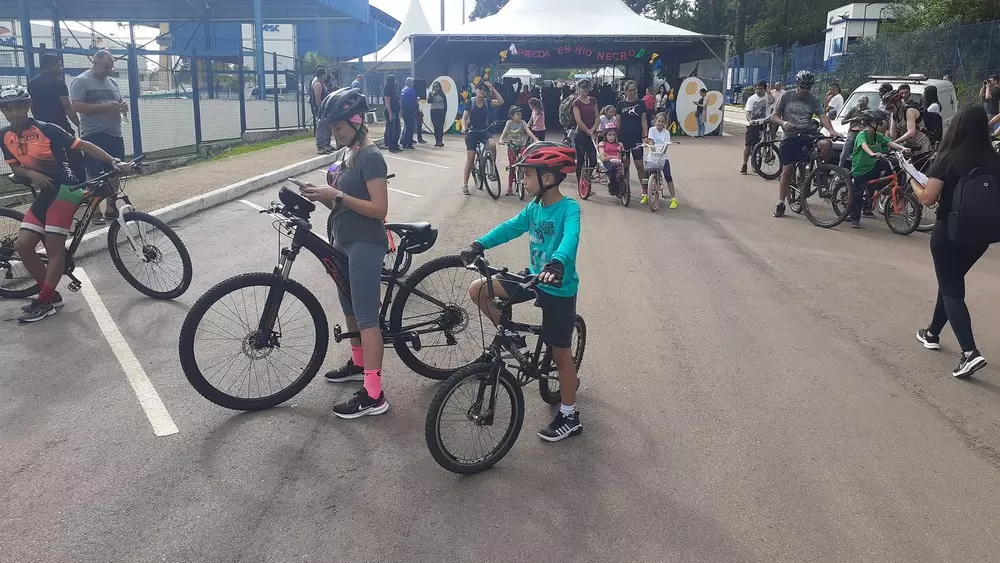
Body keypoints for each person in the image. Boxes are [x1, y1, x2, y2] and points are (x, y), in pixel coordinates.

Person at [460, 141, 584, 442]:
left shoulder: (569, 209)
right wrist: (480, 244)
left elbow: (570, 239)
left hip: (558, 286)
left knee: (561, 355)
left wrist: (558, 262)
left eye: (528, 175)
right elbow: (510, 227)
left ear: (549, 178)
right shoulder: (534, 208)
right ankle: (511, 336)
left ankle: (570, 416)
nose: (522, 180)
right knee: (479, 289)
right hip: (533, 278)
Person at [1, 85, 130, 323]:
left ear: (28, 107)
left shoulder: (47, 129)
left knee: (54, 247)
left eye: (20, 106)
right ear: (3, 112)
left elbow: (83, 145)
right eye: (9, 108)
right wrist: (31, 175)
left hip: (69, 189)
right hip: (46, 192)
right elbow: (15, 167)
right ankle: (50, 296)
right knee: (24, 245)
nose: (16, 112)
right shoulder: (4, 135)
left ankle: (44, 299)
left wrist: (113, 161)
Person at [301, 88, 391, 417]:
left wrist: (336, 196)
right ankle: (358, 363)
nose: (333, 133)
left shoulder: (370, 156)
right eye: (331, 128)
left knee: (367, 317)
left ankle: (374, 395)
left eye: (338, 128)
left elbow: (379, 209)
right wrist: (319, 195)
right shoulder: (347, 154)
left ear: (356, 121)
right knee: (349, 308)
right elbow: (336, 200)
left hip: (365, 243)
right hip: (342, 238)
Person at [910, 105, 1000, 378]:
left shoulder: (948, 158)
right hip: (981, 236)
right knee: (950, 282)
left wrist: (913, 181)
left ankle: (969, 352)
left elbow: (927, 197)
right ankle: (932, 333)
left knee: (951, 289)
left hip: (948, 232)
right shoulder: (995, 160)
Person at [69, 50, 128, 226]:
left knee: (116, 170)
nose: (110, 70)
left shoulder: (112, 82)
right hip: (93, 134)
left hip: (114, 133)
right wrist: (106, 108)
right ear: (95, 62)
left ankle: (111, 207)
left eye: (111, 67)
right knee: (94, 174)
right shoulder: (82, 81)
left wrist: (122, 106)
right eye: (107, 67)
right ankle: (95, 210)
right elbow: (76, 106)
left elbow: (117, 101)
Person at [770, 70, 837, 218]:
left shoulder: (813, 99)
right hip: (790, 136)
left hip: (807, 133)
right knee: (787, 170)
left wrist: (831, 130)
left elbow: (822, 116)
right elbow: (774, 116)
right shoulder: (786, 96)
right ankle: (781, 203)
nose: (805, 90)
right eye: (802, 87)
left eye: (808, 87)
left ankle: (819, 172)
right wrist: (783, 122)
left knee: (826, 144)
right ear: (797, 84)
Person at [847, 109, 910, 228]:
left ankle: (877, 193)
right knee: (858, 194)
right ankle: (854, 218)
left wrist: (902, 149)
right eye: (877, 123)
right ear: (871, 123)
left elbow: (890, 143)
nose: (880, 125)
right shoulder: (862, 135)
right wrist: (872, 153)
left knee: (892, 166)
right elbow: (864, 146)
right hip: (860, 168)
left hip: (873, 166)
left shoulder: (878, 136)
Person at [28, 54, 85, 182]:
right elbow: (67, 106)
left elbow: (31, 105)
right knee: (75, 154)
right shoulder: (58, 82)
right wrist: (78, 124)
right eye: (59, 65)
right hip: (60, 125)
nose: (61, 68)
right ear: (51, 66)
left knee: (52, 158)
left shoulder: (32, 83)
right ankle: (81, 184)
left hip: (42, 128)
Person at [461, 81, 504, 195]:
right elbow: (464, 118)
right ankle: (465, 185)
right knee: (470, 158)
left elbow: (501, 101)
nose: (482, 91)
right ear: (476, 90)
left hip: (484, 131)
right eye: (480, 89)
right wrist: (464, 128)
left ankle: (492, 171)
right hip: (472, 132)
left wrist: (492, 87)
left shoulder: (487, 102)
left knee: (492, 145)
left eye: (484, 90)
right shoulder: (470, 102)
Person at [616, 80, 649, 196]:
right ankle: (626, 188)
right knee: (625, 165)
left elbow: (644, 121)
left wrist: (645, 135)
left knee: (639, 165)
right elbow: (618, 122)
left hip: (636, 137)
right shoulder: (620, 104)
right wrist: (614, 137)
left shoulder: (641, 103)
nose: (633, 92)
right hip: (623, 138)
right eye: (630, 90)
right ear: (625, 91)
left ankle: (645, 189)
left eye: (634, 90)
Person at [499, 105, 538, 195]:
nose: (520, 116)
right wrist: (501, 139)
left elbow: (528, 131)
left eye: (521, 114)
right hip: (512, 146)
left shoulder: (523, 122)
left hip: (521, 145)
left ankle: (524, 182)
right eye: (517, 114)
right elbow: (504, 131)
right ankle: (509, 188)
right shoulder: (509, 122)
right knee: (512, 167)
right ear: (512, 116)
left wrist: (535, 140)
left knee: (524, 163)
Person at [645, 112, 678, 208]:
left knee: (668, 176)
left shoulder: (666, 133)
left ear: (665, 123)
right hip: (653, 156)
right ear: (655, 121)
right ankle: (646, 195)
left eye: (663, 122)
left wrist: (662, 153)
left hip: (663, 157)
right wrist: (653, 149)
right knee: (647, 174)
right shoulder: (652, 130)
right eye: (659, 121)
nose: (660, 123)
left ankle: (673, 199)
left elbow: (666, 145)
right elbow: (651, 141)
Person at [885, 89, 932, 156]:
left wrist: (893, 143)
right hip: (910, 148)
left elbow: (911, 132)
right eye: (888, 109)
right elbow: (893, 136)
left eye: (891, 108)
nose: (890, 111)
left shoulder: (910, 111)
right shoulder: (894, 115)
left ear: (898, 102)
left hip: (922, 146)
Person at [741, 80, 774, 175]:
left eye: (760, 88)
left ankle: (768, 153)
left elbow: (771, 101)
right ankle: (744, 165)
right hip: (754, 123)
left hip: (766, 122)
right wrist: (750, 120)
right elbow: (748, 112)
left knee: (769, 139)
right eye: (757, 88)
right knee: (748, 144)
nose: (758, 90)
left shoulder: (767, 97)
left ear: (765, 89)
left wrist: (769, 92)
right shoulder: (751, 99)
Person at [572, 79, 599, 187]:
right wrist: (588, 131)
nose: (585, 90)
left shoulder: (593, 100)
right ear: (579, 89)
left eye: (587, 87)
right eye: (583, 88)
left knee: (593, 160)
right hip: (580, 134)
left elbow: (597, 117)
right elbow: (578, 120)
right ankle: (580, 183)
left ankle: (586, 177)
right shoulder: (576, 103)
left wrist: (592, 129)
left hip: (592, 133)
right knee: (580, 159)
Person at [838, 95, 870, 170]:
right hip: (852, 133)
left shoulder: (869, 112)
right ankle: (839, 170)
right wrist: (853, 119)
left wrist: (864, 122)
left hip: (861, 134)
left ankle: (855, 171)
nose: (861, 107)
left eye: (864, 105)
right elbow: (843, 121)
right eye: (860, 104)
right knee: (844, 154)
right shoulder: (853, 109)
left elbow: (870, 125)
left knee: (857, 155)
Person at [310, 67, 332, 154]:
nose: (326, 75)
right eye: (325, 74)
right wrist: (322, 109)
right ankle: (320, 147)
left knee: (327, 126)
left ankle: (326, 145)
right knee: (321, 127)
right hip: (320, 109)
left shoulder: (321, 83)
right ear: (323, 75)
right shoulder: (317, 84)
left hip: (324, 108)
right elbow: (318, 99)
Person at [598, 125, 624, 195]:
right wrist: (612, 157)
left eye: (613, 135)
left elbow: (623, 156)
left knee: (624, 169)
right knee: (613, 168)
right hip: (607, 162)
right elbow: (603, 158)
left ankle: (622, 186)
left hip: (618, 161)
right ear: (605, 135)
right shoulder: (602, 144)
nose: (611, 137)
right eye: (609, 135)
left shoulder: (619, 144)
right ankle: (612, 187)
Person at [382, 75, 401, 153]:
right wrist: (390, 113)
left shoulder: (394, 89)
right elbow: (387, 103)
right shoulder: (388, 89)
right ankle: (391, 146)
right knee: (391, 130)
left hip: (395, 111)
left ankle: (396, 145)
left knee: (397, 129)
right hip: (390, 111)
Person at [399, 77, 418, 150]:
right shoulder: (411, 90)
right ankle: (408, 144)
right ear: (411, 83)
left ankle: (403, 142)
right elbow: (413, 102)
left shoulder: (403, 90)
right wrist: (417, 101)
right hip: (410, 111)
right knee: (410, 128)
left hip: (404, 111)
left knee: (406, 127)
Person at [428, 81, 448, 147]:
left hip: (441, 112)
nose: (435, 88)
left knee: (440, 126)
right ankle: (437, 141)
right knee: (435, 126)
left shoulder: (442, 94)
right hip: (433, 111)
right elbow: (429, 101)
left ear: (439, 87)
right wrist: (432, 95)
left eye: (437, 86)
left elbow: (445, 104)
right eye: (434, 86)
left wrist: (444, 112)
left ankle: (440, 141)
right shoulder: (431, 93)